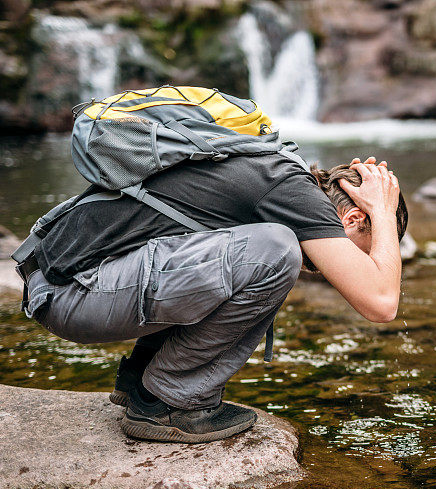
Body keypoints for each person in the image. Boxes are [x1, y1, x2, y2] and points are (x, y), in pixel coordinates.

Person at [21, 150, 408, 444]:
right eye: (365, 248)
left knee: (263, 253)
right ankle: (167, 402)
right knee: (274, 252)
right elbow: (381, 303)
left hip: (62, 283)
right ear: (354, 219)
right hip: (71, 293)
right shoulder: (295, 196)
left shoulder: (281, 178)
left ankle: (141, 378)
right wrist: (385, 213)